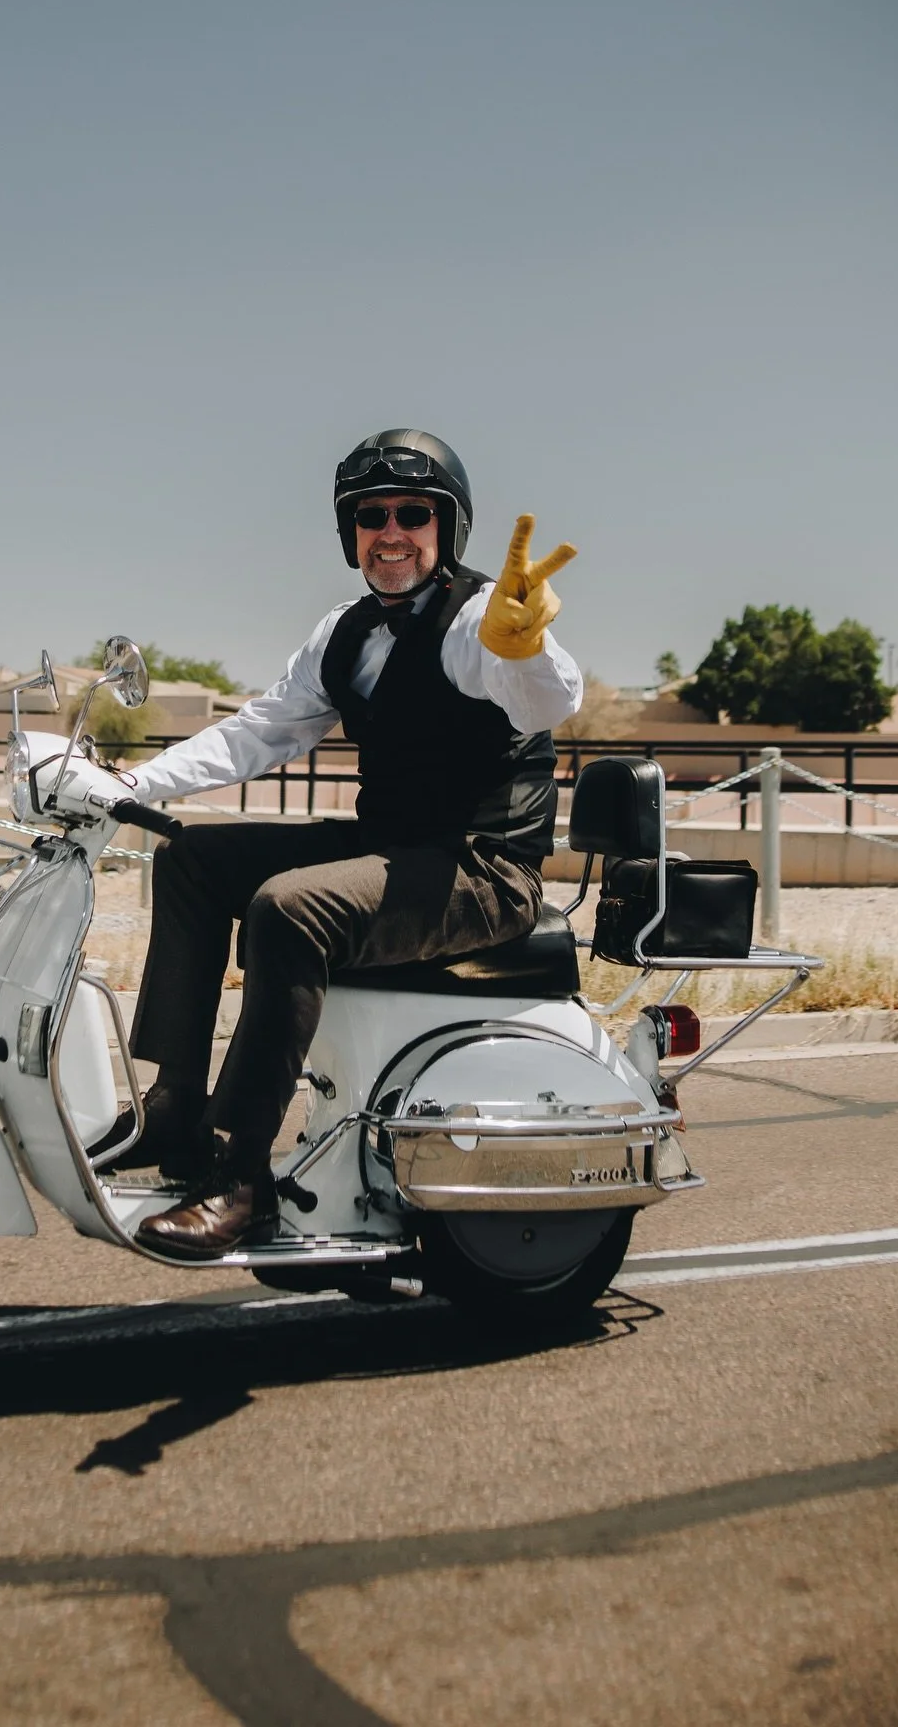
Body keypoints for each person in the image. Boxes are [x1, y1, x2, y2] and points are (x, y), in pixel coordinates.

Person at [107, 429, 582, 1257]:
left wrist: (528, 648)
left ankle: (242, 1175)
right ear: (349, 531)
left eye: (412, 514)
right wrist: (127, 786)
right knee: (189, 858)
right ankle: (176, 1108)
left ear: (447, 527)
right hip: (391, 850)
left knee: (290, 907)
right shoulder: (346, 631)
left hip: (483, 869)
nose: (390, 532)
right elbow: (261, 731)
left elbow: (544, 700)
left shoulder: (482, 620)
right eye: (371, 516)